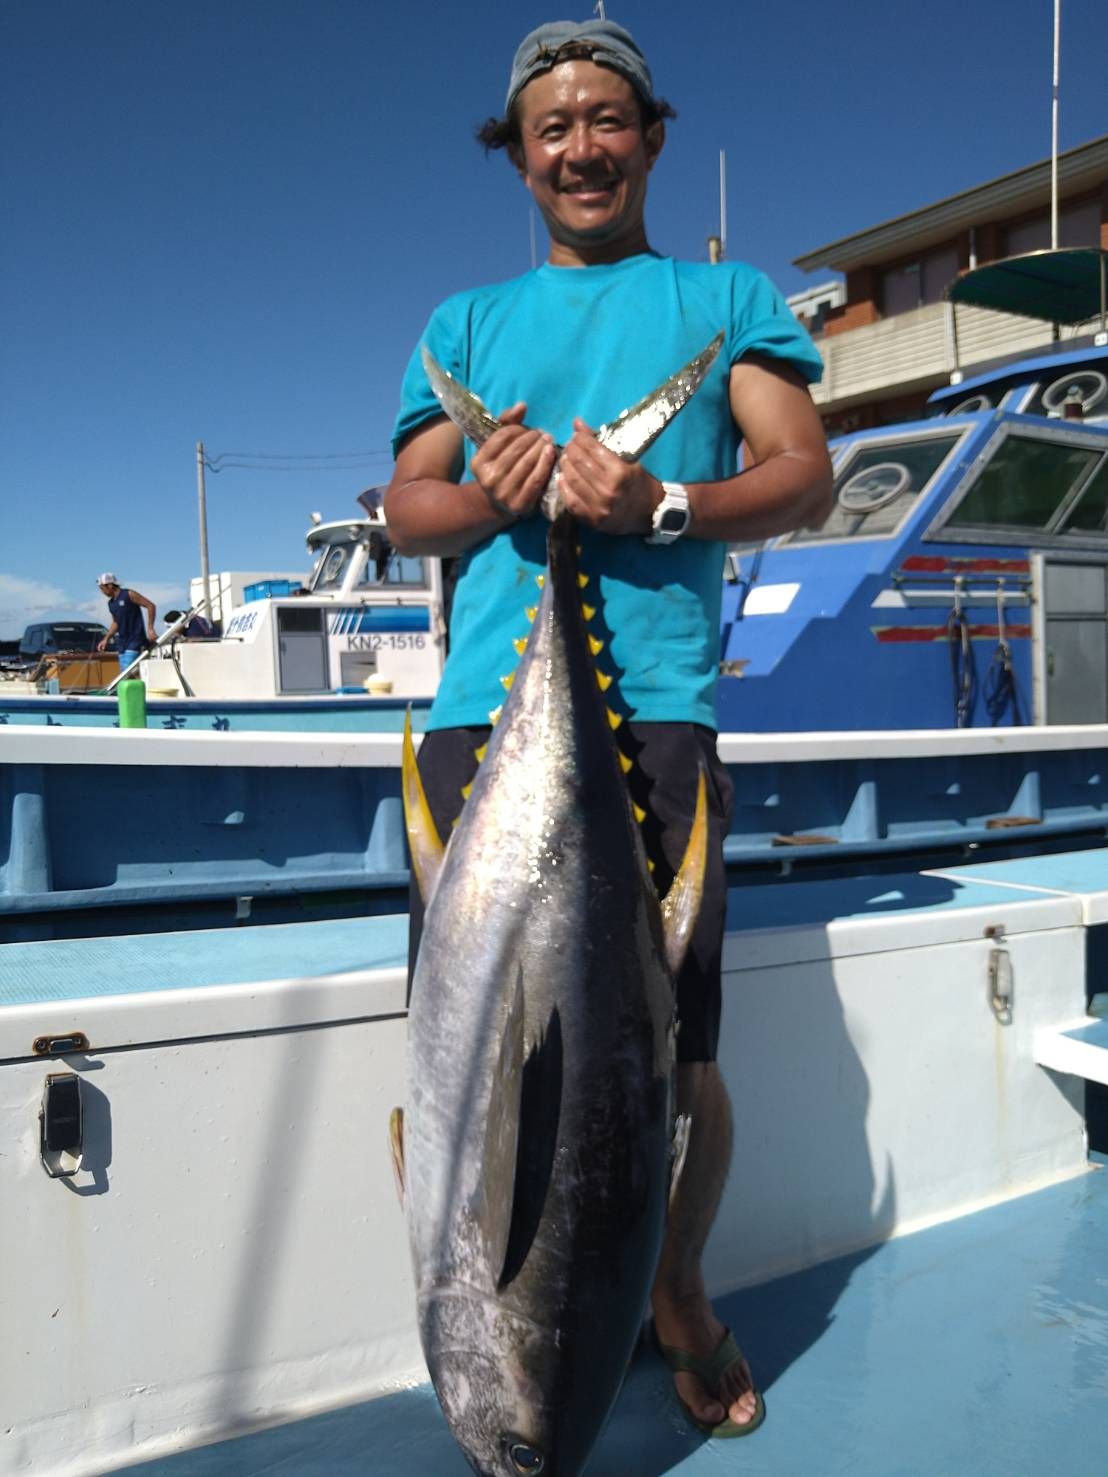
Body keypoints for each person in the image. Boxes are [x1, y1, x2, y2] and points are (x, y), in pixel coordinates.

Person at [384, 17, 833, 1439]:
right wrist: (498, 497)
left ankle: (675, 1291)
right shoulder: (463, 324)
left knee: (672, 1058)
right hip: (482, 727)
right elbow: (408, 510)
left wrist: (664, 504)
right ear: (519, 156)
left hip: (655, 725)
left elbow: (804, 471)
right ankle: (497, 1291)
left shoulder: (726, 298)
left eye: (605, 119)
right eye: (552, 127)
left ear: (649, 136)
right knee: (458, 1056)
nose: (581, 148)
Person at [95, 574, 157, 671]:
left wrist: (150, 628)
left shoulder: (129, 594)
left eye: (102, 588)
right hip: (122, 642)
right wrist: (106, 639)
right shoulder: (111, 603)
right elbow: (116, 622)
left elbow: (150, 606)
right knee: (125, 673)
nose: (102, 592)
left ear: (110, 585)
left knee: (128, 670)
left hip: (135, 639)